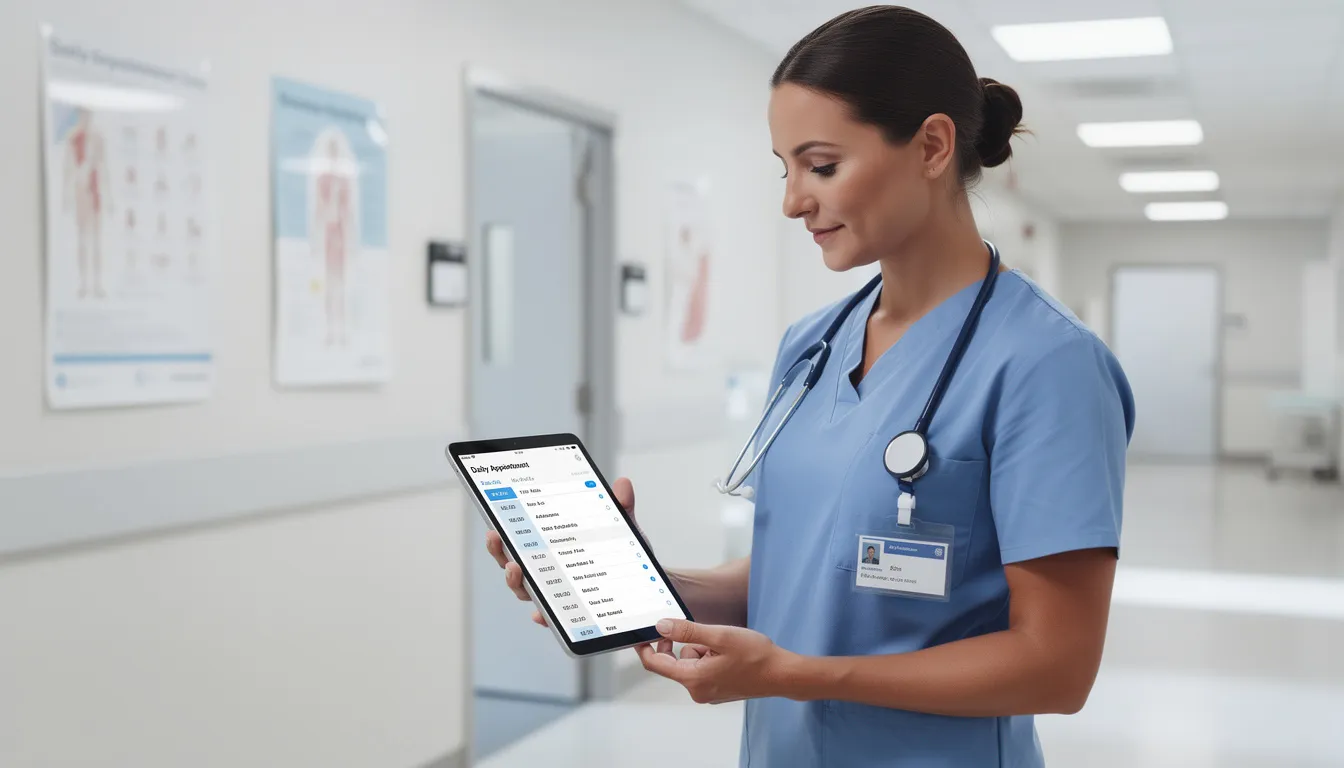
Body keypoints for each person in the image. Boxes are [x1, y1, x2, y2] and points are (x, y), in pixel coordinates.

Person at [486, 6, 1135, 767]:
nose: (793, 200)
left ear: (932, 145)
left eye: (821, 166)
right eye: (784, 168)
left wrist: (795, 674)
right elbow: (803, 570)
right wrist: (642, 589)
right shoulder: (811, 347)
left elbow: (1056, 667)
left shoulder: (1046, 365)